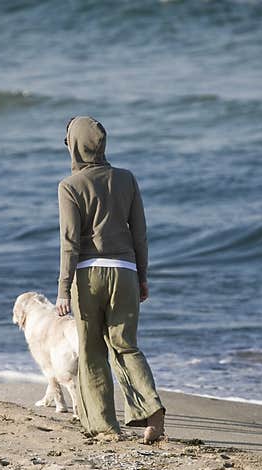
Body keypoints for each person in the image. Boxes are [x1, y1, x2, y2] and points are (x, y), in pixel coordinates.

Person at [54, 115, 165, 444]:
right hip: (126, 273)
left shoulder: (69, 186)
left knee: (91, 351)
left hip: (88, 276)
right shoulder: (127, 179)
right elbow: (140, 235)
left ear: (74, 146)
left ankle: (104, 427)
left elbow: (69, 242)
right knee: (126, 346)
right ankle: (152, 410)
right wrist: (142, 276)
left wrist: (63, 290)